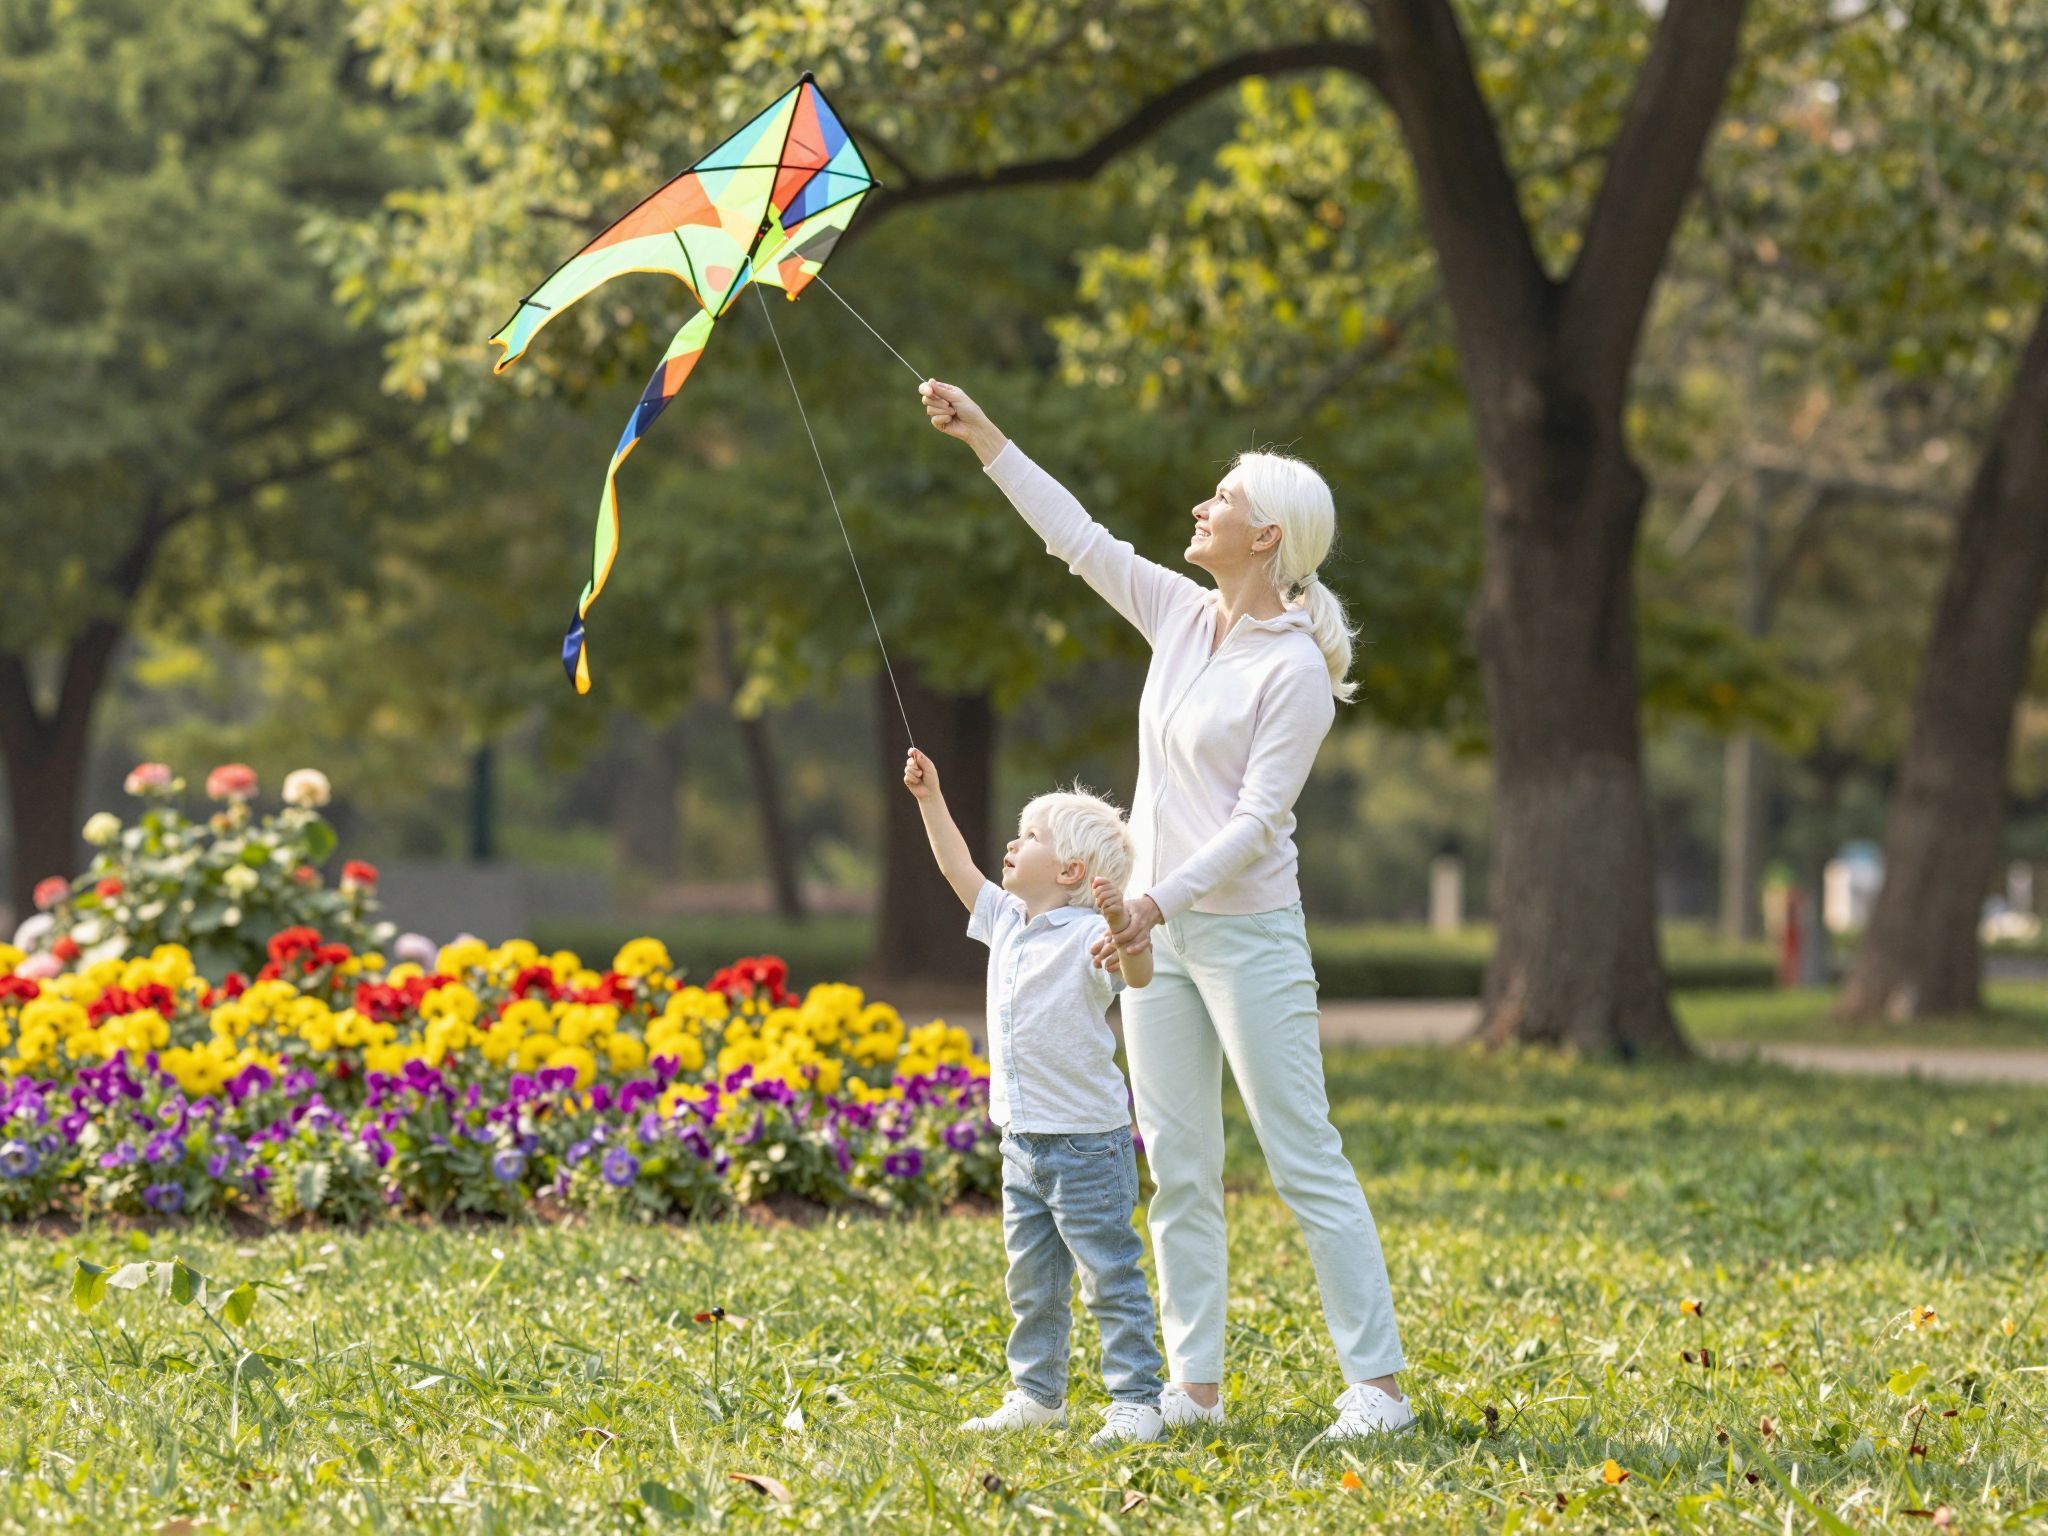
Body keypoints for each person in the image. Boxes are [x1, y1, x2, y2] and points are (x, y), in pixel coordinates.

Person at [917, 379, 1412, 1440]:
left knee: (1299, 1151)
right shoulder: (1181, 617)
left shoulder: (1294, 672)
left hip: (1244, 936)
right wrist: (985, 436)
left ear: (1264, 534)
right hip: (1149, 935)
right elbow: (1076, 539)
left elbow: (1252, 822)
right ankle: (1192, 1387)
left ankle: (1375, 1386)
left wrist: (1147, 898)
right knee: (1178, 1165)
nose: (1199, 507)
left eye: (1219, 497)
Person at [902, 745, 1166, 1445]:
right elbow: (958, 866)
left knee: (1110, 1274)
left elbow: (1137, 976)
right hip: (1020, 1139)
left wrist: (1122, 928)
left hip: (1085, 1143)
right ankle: (1038, 1394)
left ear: (1072, 872)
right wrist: (932, 799)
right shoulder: (1007, 923)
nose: (1012, 844)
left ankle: (1138, 1399)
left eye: (1032, 837)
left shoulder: (1089, 936)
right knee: (1033, 1282)